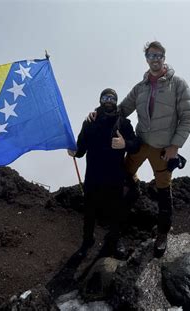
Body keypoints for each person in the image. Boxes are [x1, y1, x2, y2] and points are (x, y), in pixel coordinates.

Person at [88, 41, 190, 257]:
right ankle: (123, 214)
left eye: (159, 55)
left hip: (163, 149)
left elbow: (188, 117)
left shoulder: (178, 84)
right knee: (124, 178)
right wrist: (98, 113)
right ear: (146, 58)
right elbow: (121, 110)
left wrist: (175, 146)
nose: (155, 59)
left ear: (164, 57)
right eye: (151, 55)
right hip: (140, 143)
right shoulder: (141, 87)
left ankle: (162, 234)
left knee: (164, 191)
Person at [68, 88, 140, 257]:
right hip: (93, 175)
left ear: (116, 101)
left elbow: (136, 145)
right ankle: (87, 241)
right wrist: (74, 151)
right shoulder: (90, 122)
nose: (108, 100)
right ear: (100, 100)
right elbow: (81, 150)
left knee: (117, 210)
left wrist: (124, 144)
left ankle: (114, 241)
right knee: (89, 211)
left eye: (112, 98)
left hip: (115, 176)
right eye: (105, 97)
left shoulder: (123, 123)